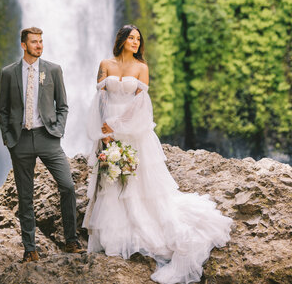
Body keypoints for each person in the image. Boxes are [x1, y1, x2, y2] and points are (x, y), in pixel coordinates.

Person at [83, 24, 233, 284]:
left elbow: (140, 103)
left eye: (138, 39)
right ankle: (114, 234)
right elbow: (100, 99)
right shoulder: (104, 63)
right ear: (121, 40)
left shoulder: (142, 68)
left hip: (132, 131)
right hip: (107, 129)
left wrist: (118, 126)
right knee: (111, 182)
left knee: (140, 183)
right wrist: (104, 131)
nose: (135, 42)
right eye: (131, 38)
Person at [0, 26, 82, 262]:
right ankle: (30, 249)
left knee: (68, 186)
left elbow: (62, 105)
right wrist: (8, 139)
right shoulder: (8, 73)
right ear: (23, 45)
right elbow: (2, 110)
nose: (39, 45)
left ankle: (71, 242)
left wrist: (58, 131)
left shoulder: (53, 70)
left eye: (41, 41)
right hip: (20, 140)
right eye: (34, 42)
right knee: (25, 197)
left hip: (48, 138)